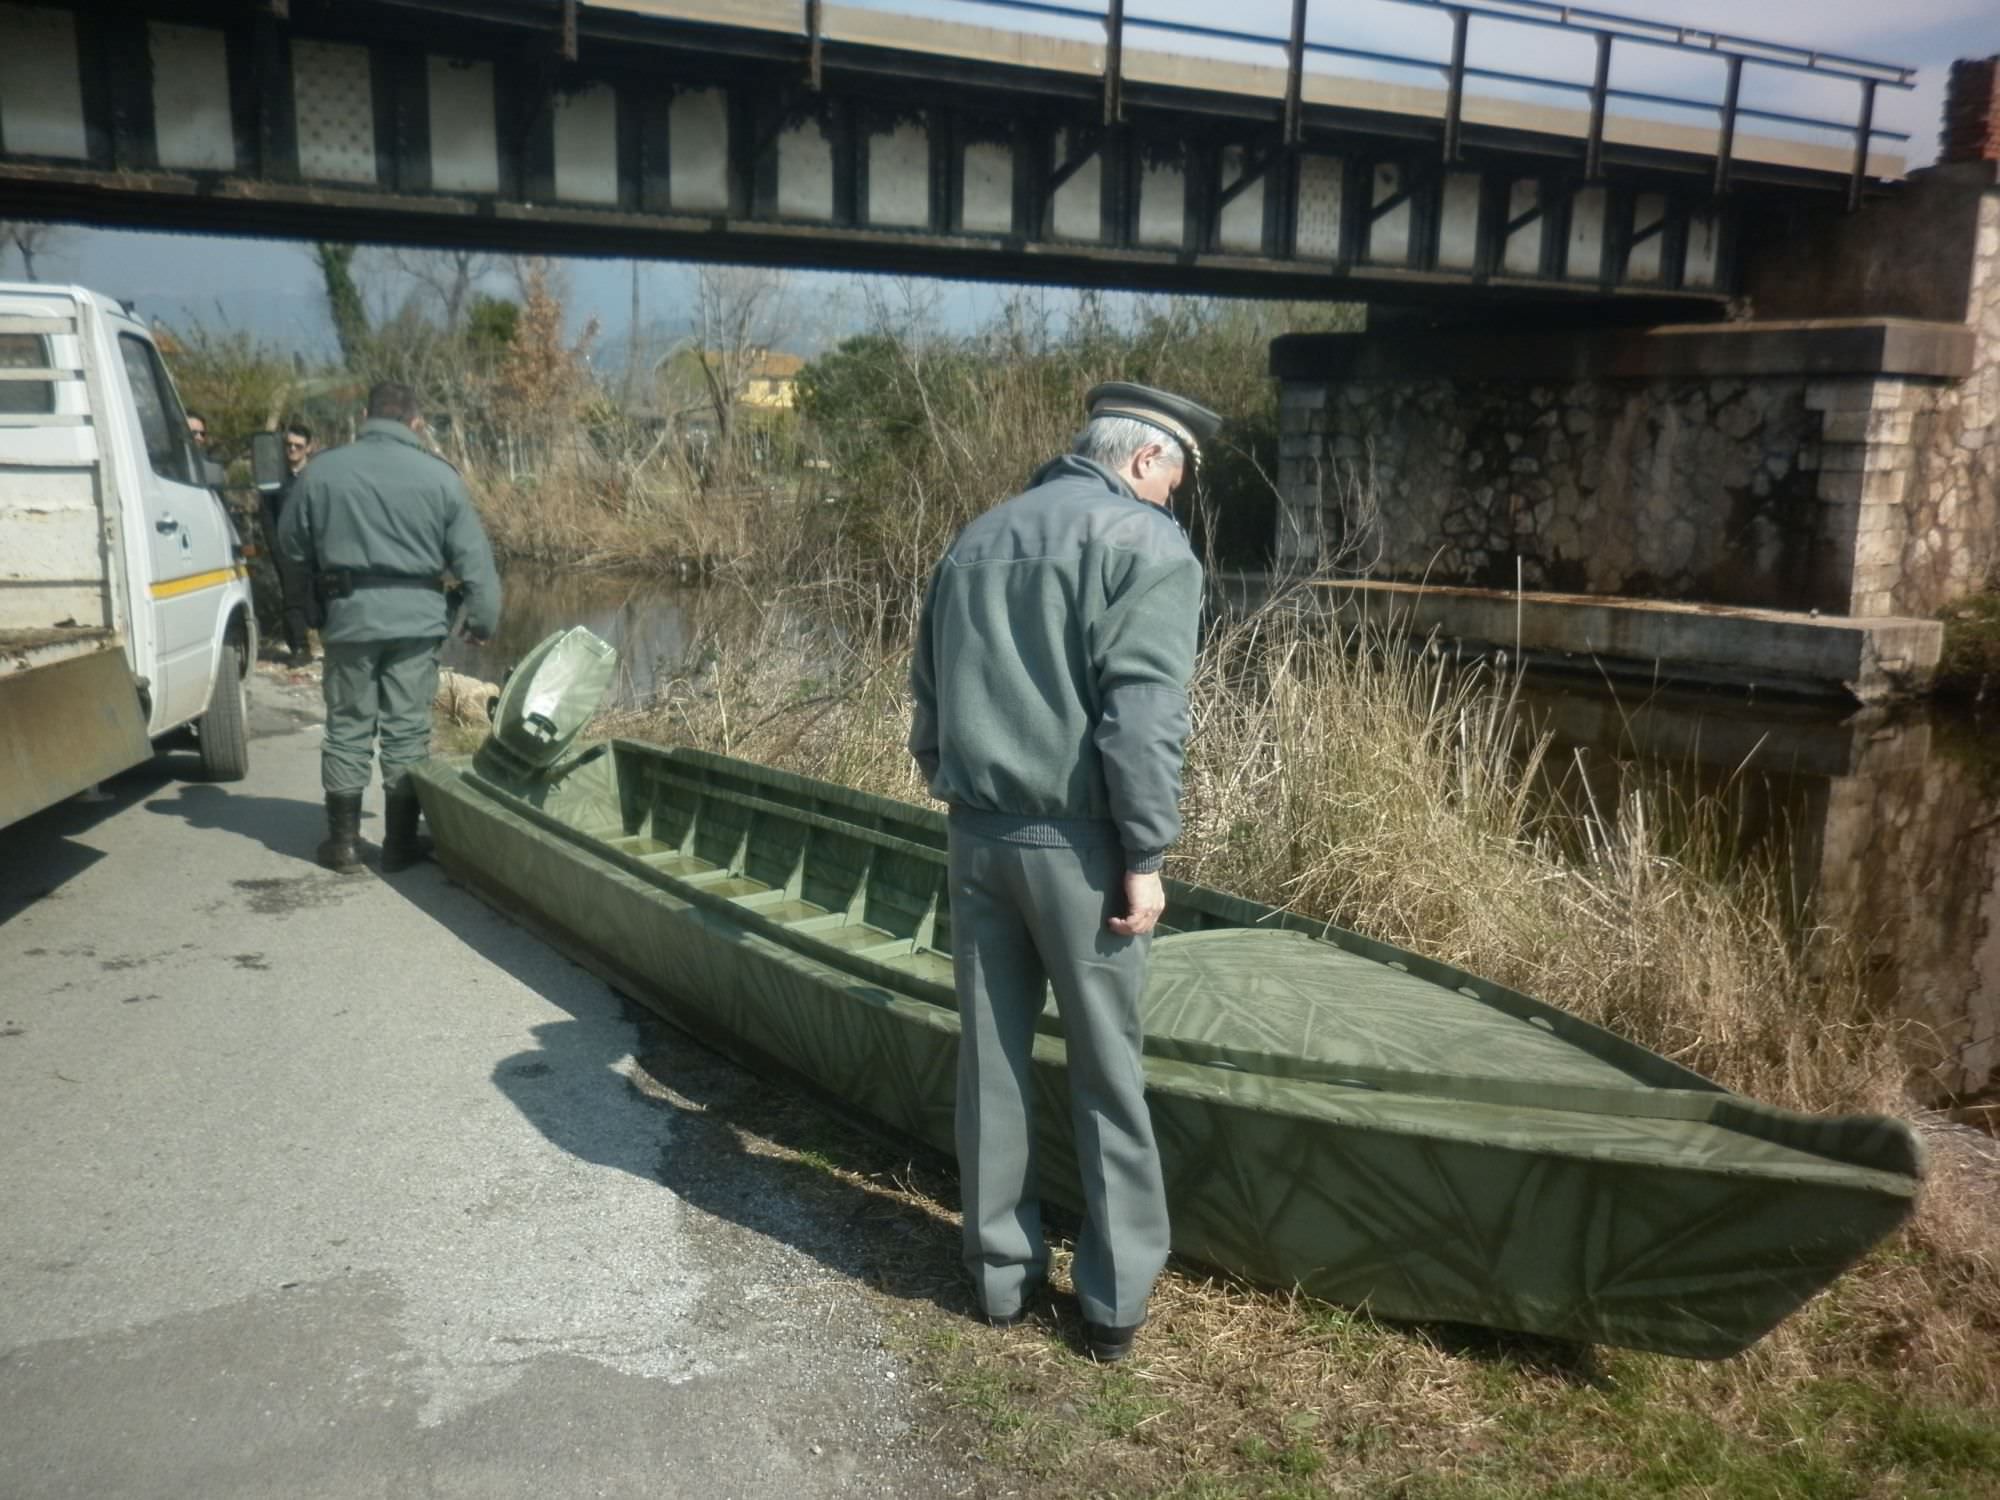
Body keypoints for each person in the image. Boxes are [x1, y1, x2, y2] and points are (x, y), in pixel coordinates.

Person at [909, 381, 1219, 1365]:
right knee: (1105, 1071)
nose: (1173, 502)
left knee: (990, 1060)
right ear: (1141, 462)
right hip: (1082, 848)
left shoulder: (979, 535)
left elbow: (924, 692)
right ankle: (1112, 1300)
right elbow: (1141, 716)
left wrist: (959, 788)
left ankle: (997, 1277)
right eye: (1175, 481)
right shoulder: (1145, 544)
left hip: (977, 835)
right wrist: (1145, 855)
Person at [278, 382, 501, 876]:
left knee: (348, 725)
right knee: (406, 729)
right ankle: (400, 844)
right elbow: (474, 561)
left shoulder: (321, 472)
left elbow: (291, 546)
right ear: (416, 423)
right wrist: (482, 620)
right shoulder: (440, 478)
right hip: (418, 621)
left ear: (365, 415)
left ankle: (342, 844)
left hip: (348, 615)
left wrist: (303, 609)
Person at [264, 421, 319, 667]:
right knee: (292, 601)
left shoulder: (318, 477)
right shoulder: (274, 481)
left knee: (320, 599)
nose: (292, 450)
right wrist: (276, 549)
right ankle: (299, 647)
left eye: (298, 446)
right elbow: (267, 518)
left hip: (317, 550)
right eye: (288, 445)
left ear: (309, 448)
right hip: (288, 551)